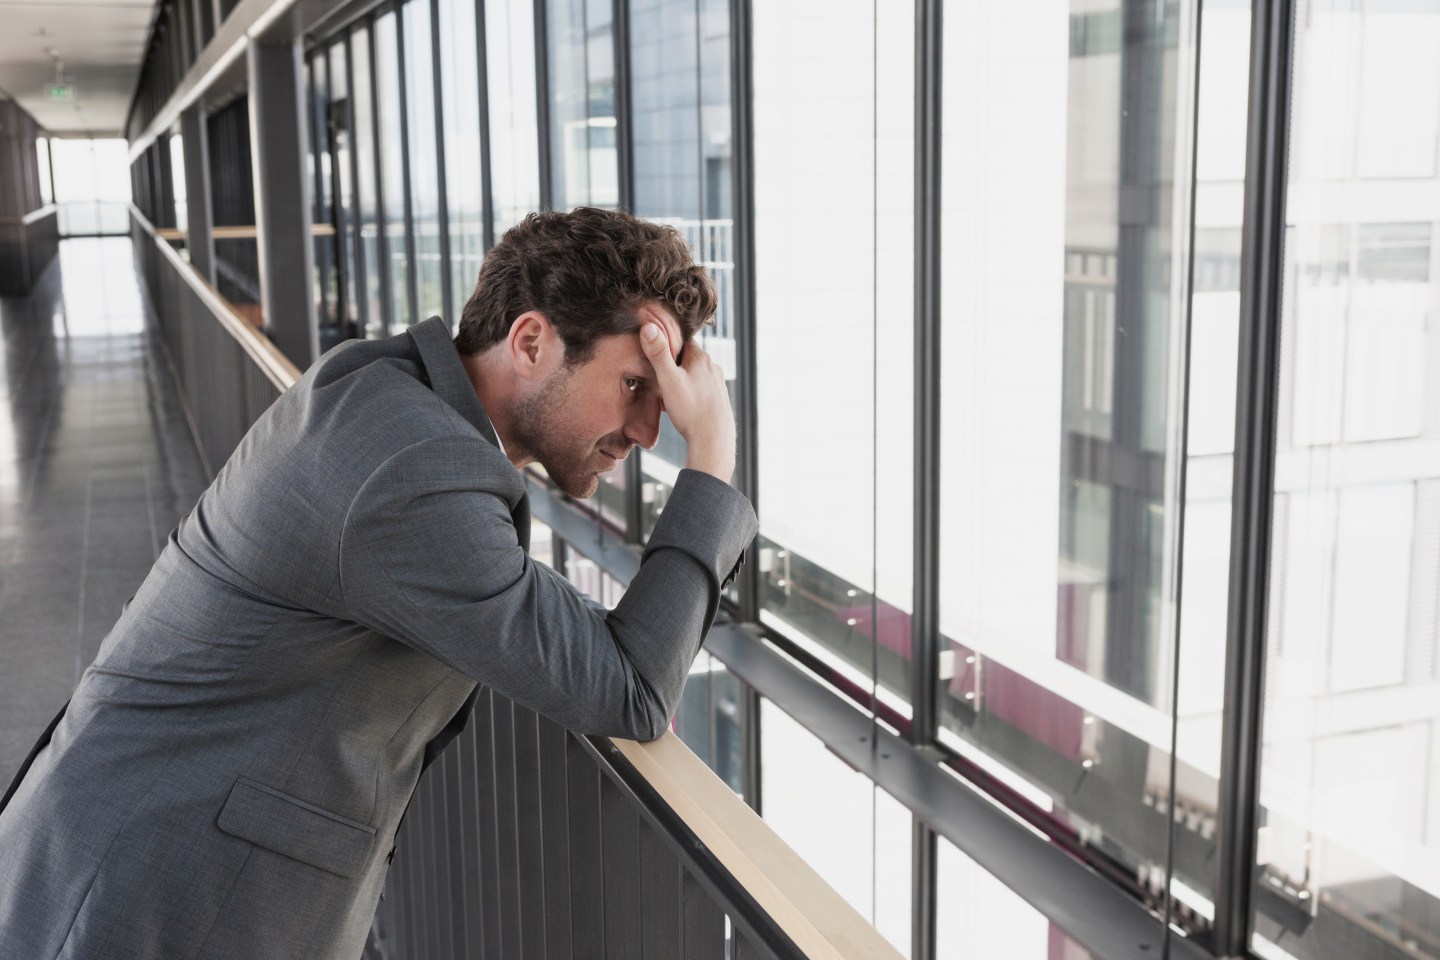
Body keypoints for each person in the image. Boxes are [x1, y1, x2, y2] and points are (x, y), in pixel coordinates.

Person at [0, 207, 757, 959]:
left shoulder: (393, 399)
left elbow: (548, 620)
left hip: (134, 849)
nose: (651, 431)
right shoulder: (413, 469)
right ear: (530, 341)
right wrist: (713, 457)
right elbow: (630, 687)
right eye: (633, 384)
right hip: (149, 903)